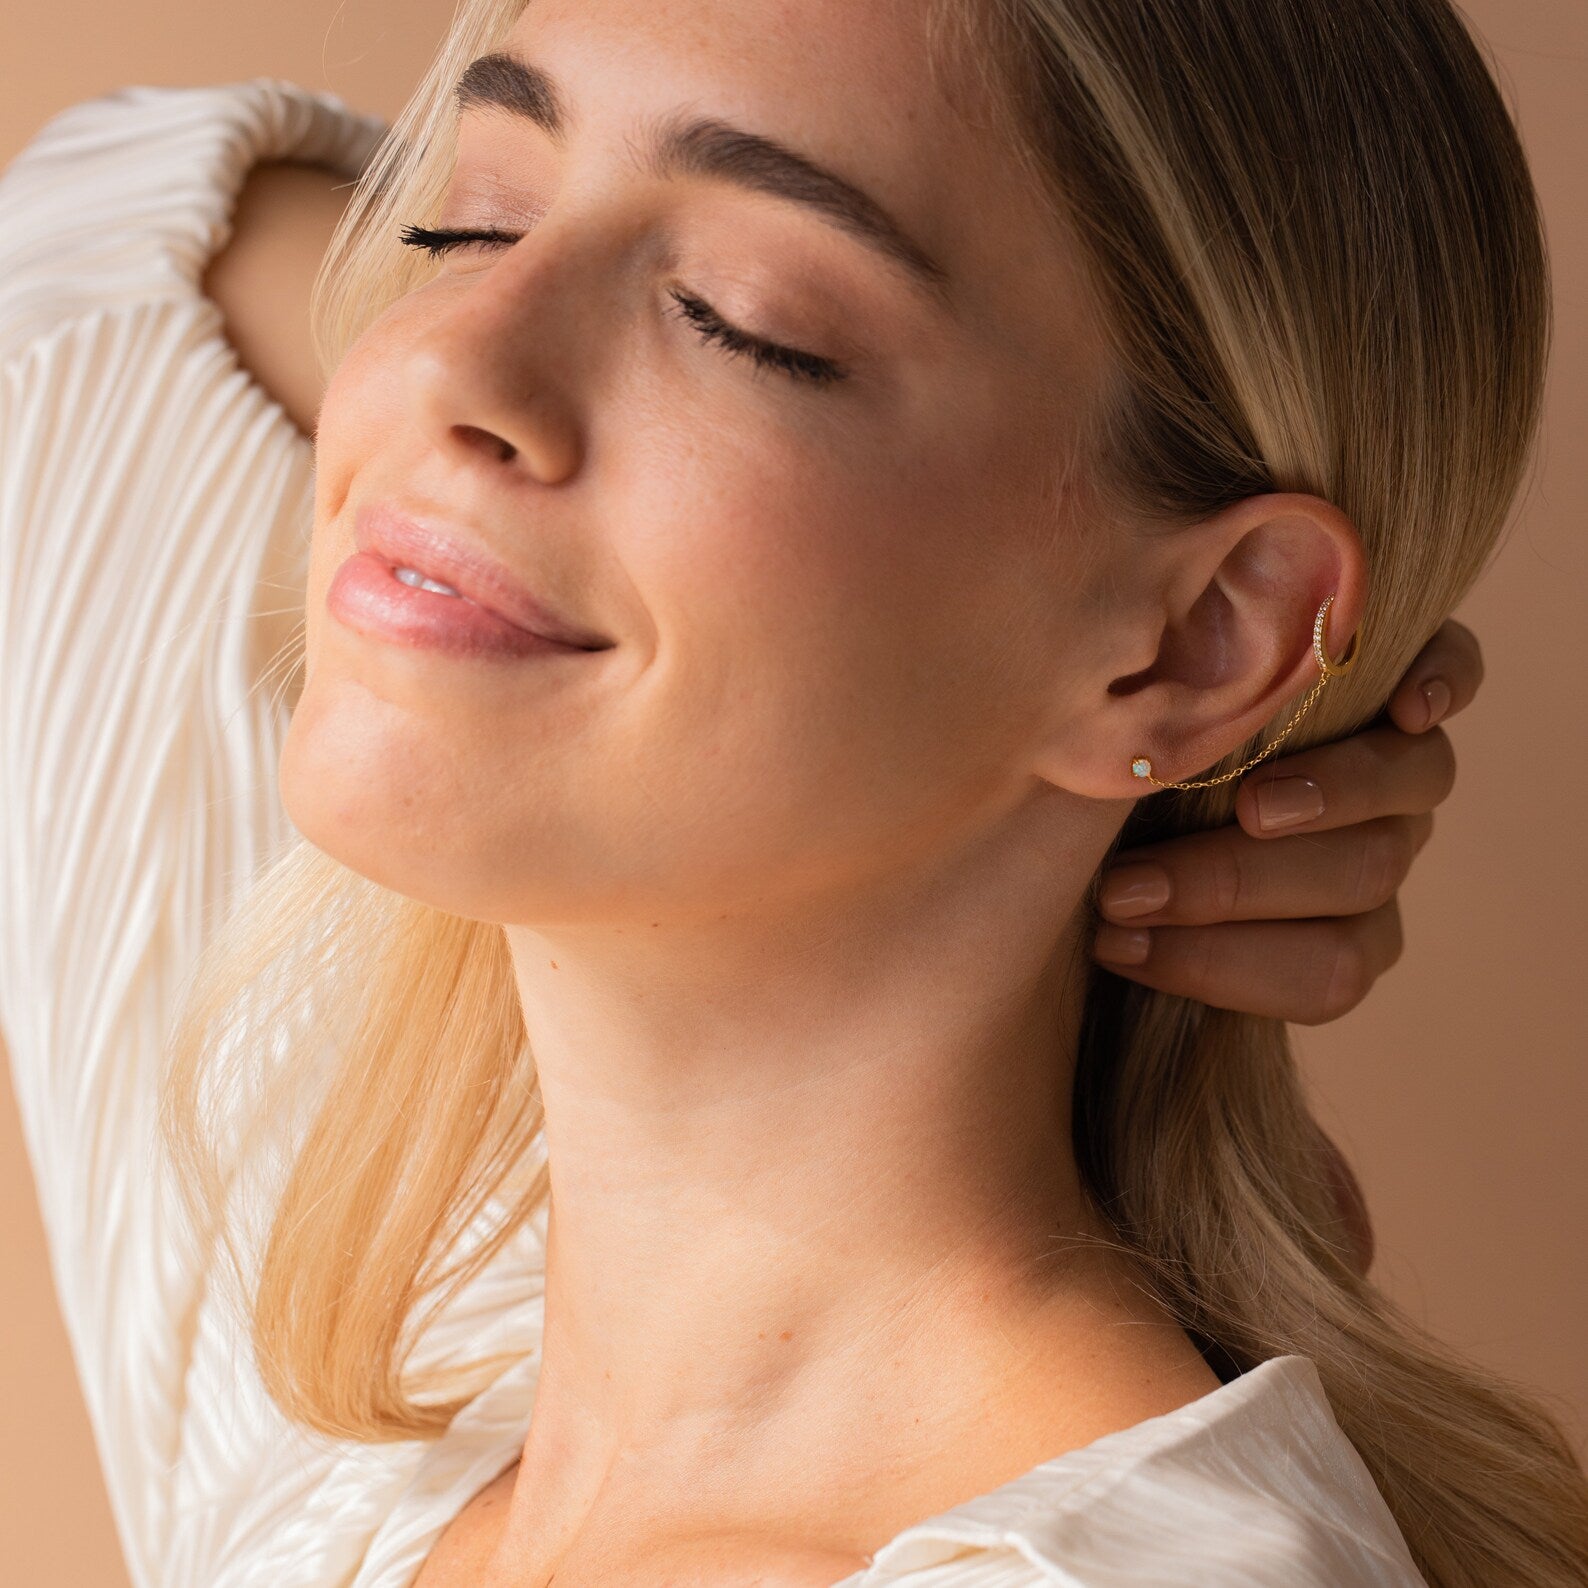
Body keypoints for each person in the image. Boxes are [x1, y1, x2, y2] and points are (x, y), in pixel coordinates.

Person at [0, 4, 1582, 1588]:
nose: (441, 364)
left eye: (739, 318)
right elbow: (100, 242)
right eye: (471, 219)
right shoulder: (376, 1435)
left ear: (1192, 635)